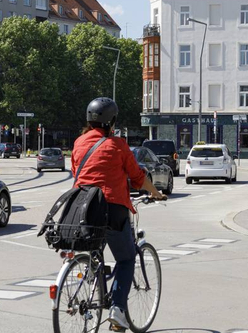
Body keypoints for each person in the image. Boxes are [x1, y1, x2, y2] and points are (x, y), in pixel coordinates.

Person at [71, 97, 167, 330]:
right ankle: (117, 310)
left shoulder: (79, 143)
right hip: (112, 208)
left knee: (94, 250)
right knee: (125, 259)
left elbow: (77, 174)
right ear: (112, 121)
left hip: (82, 208)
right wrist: (156, 193)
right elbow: (137, 178)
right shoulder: (118, 145)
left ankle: (91, 281)